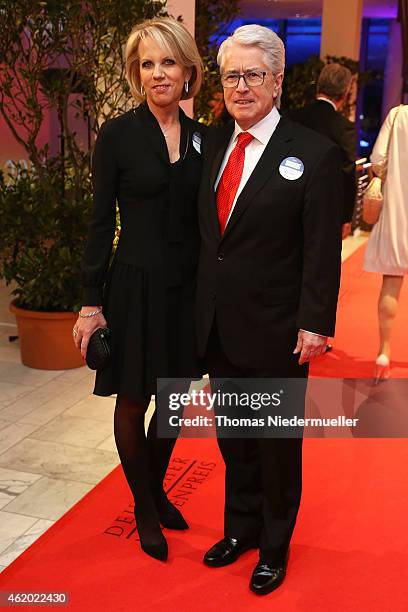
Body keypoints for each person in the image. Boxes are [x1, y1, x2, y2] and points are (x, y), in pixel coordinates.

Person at [195, 25, 342, 594]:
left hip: (280, 329)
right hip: (220, 327)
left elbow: (320, 249)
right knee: (234, 438)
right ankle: (241, 529)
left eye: (253, 75)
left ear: (277, 82)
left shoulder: (314, 154)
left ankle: (274, 546)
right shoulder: (214, 146)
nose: (241, 86)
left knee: (275, 445)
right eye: (232, 75)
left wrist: (316, 322)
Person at [72, 17, 205, 562]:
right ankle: (146, 507)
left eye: (168, 62)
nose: (157, 73)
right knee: (133, 398)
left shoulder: (206, 138)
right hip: (133, 285)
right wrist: (89, 302)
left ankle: (154, 487)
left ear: (188, 71)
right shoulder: (119, 135)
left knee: (174, 401)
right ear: (136, 73)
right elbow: (101, 222)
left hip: (188, 290)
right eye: (147, 64)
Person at [363, 104, 408, 383]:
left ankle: (384, 351)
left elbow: (378, 159)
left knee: (391, 283)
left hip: (398, 211)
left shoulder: (398, 115)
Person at [290, 62, 357, 240]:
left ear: (318, 86)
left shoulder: (291, 118)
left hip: (287, 202)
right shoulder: (344, 128)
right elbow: (347, 172)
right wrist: (345, 217)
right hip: (325, 209)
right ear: (345, 93)